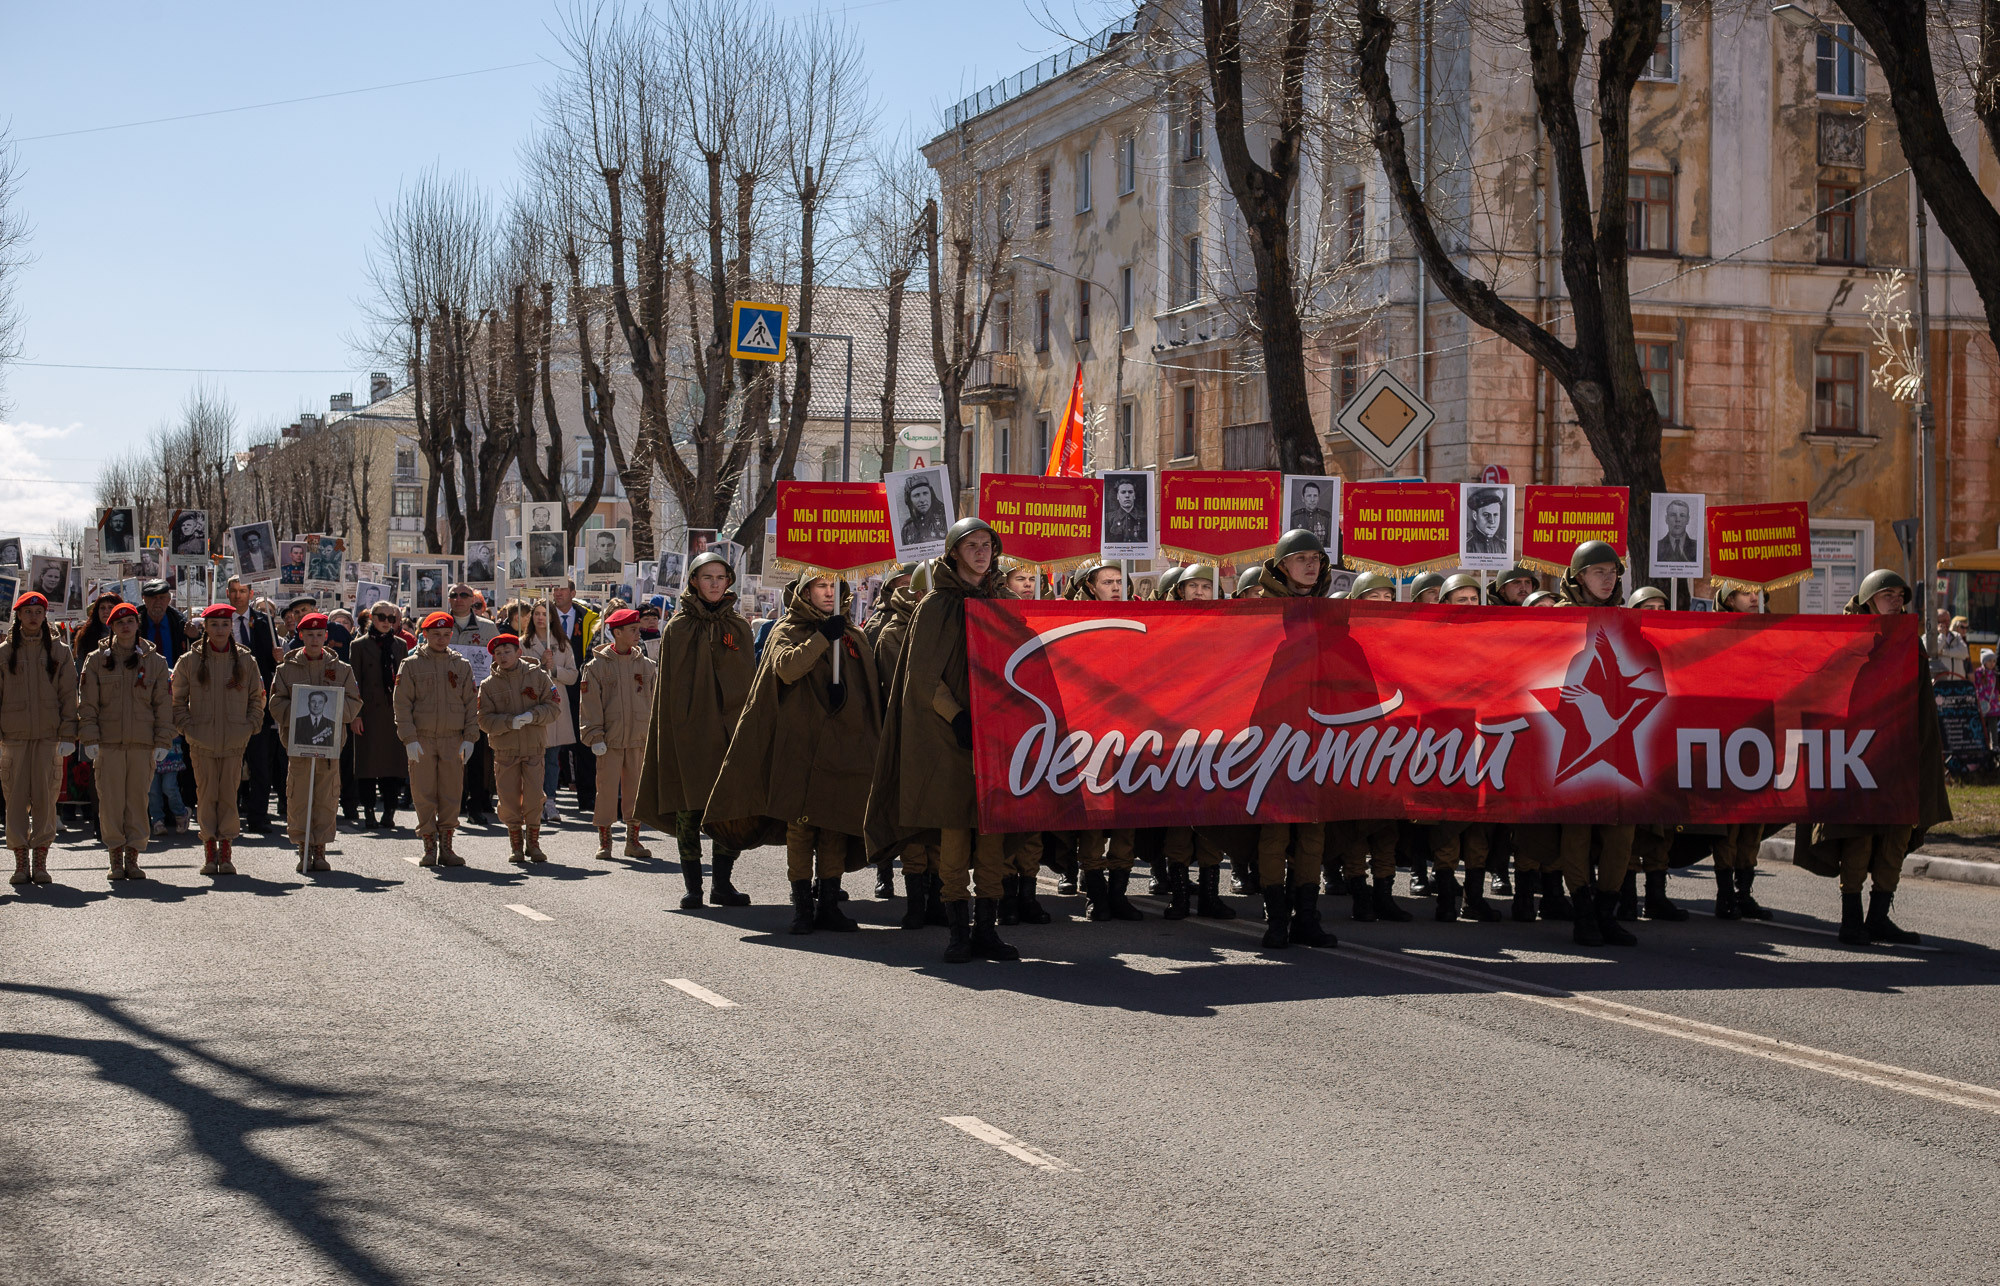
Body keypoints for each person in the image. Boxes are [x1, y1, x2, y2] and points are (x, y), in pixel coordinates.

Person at [866, 518, 1021, 963]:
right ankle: (958, 932)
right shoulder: (936, 605)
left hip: (999, 735)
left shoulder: (1004, 601)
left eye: (987, 545)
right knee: (955, 834)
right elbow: (922, 677)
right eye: (971, 545)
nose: (981, 552)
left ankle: (987, 929)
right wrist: (956, 717)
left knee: (993, 834)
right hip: (951, 738)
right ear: (954, 551)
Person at [708, 570, 882, 934]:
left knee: (834, 826)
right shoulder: (787, 630)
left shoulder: (854, 635)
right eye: (820, 586)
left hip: (842, 748)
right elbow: (786, 669)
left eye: (834, 586)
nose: (829, 593)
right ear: (805, 591)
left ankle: (830, 904)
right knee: (801, 829)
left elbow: (868, 691)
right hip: (800, 747)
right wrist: (821, 639)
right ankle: (803, 906)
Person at [1798, 570, 1951, 945]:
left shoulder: (1908, 640)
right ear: (1869, 599)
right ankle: (1851, 918)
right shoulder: (1845, 636)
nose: (1897, 599)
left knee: (1897, 832)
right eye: (1888, 594)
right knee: (1857, 833)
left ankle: (1879, 915)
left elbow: (1919, 701)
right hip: (1858, 751)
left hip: (1900, 752)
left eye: (1900, 594)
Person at [636, 550, 755, 911]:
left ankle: (722, 884)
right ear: (693, 581)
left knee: (728, 807)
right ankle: (693, 886)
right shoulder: (679, 628)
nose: (715, 583)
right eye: (708, 577)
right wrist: (676, 731)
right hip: (689, 734)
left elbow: (747, 681)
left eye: (721, 577)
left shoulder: (739, 628)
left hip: (729, 733)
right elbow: (670, 688)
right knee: (689, 809)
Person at [1244, 530, 1340, 948]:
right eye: (1300, 558)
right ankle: (1276, 918)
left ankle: (1307, 916)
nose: (1310, 565)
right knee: (1276, 831)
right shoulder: (1261, 610)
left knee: (1313, 831)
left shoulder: (1329, 611)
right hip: (1272, 737)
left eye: (1316, 558)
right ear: (1281, 565)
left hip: (1320, 737)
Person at [1550, 540, 1640, 947]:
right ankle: (1583, 911)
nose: (1608, 579)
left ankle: (1607, 910)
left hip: (1620, 739)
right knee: (1578, 830)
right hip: (1572, 738)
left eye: (1613, 571)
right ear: (1579, 575)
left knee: (1621, 830)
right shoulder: (1558, 619)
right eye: (1598, 571)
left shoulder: (1626, 620)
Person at [170, 603, 266, 878]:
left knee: (228, 796)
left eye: (225, 624)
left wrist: (249, 726)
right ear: (205, 628)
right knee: (207, 795)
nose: (220, 630)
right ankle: (209, 850)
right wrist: (188, 729)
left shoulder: (246, 660)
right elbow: (176, 701)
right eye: (214, 625)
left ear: (231, 627)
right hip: (201, 742)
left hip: (235, 741)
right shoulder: (189, 661)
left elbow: (256, 699)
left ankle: (226, 851)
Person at [268, 613, 361, 874]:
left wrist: (334, 712)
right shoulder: (286, 669)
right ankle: (303, 847)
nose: (314, 639)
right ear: (300, 636)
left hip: (329, 746)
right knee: (299, 796)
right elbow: (275, 703)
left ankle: (320, 848)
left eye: (319, 634)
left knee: (325, 797)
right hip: (299, 746)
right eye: (309, 635)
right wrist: (298, 714)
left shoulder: (342, 669)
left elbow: (354, 703)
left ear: (326, 637)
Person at [0, 592, 78, 886]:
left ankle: (41, 859)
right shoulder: (4, 653)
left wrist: (69, 732)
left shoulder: (59, 651)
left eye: (39, 611)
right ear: (18, 615)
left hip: (49, 737)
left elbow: (69, 695)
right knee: (15, 801)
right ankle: (21, 861)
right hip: (14, 738)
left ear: (46, 616)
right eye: (28, 611)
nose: (33, 616)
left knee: (45, 799)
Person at [394, 611, 479, 867]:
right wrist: (409, 738)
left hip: (453, 739)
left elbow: (470, 704)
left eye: (446, 634)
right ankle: (429, 846)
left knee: (452, 794)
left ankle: (448, 847)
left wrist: (470, 737)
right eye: (435, 634)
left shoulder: (461, 665)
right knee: (424, 793)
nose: (441, 639)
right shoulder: (411, 664)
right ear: (425, 635)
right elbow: (401, 704)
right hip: (423, 738)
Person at [580, 607, 658, 860]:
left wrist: (655, 735)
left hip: (638, 739)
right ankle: (605, 842)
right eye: (633, 630)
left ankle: (632, 842)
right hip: (609, 740)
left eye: (638, 629)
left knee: (636, 791)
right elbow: (589, 704)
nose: (638, 633)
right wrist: (594, 736)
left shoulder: (648, 666)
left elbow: (656, 701)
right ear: (617, 633)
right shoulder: (596, 667)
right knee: (606, 790)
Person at [478, 632, 560, 863]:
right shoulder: (489, 685)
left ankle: (533, 843)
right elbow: (483, 720)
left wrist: (532, 715)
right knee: (509, 799)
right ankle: (516, 845)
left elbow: (554, 707)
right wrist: (508, 722)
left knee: (534, 798)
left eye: (507, 652)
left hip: (534, 747)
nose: (502, 657)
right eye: (498, 653)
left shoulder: (538, 677)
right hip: (505, 750)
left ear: (519, 653)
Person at [224, 577, 284, 834]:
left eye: (243, 591)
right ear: (227, 593)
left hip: (258, 703)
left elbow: (274, 669)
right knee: (231, 765)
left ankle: (258, 816)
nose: (238, 596)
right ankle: (230, 814)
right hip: (228, 703)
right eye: (234, 592)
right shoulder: (220, 622)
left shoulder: (264, 623)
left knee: (260, 763)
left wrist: (278, 659)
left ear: (251, 593)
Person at [514, 600, 577, 826]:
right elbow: (517, 674)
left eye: (545, 614)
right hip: (532, 704)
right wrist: (540, 666)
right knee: (534, 757)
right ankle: (534, 800)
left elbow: (573, 675)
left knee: (552, 758)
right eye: (537, 614)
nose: (541, 618)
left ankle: (550, 800)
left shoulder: (562, 644)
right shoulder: (523, 643)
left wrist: (554, 670)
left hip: (556, 705)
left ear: (552, 618)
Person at [350, 600, 409, 829]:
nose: (387, 622)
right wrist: (356, 715)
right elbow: (354, 683)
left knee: (393, 765)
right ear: (372, 619)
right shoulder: (359, 645)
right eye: (382, 617)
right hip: (368, 713)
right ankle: (369, 811)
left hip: (393, 712)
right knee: (367, 766)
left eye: (391, 618)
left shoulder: (400, 645)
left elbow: (404, 681)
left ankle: (390, 811)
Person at [550, 581, 599, 813]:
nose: (557, 594)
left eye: (562, 589)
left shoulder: (589, 617)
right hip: (553, 683)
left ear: (573, 593)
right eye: (554, 590)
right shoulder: (543, 615)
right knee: (550, 743)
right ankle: (546, 798)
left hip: (581, 685)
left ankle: (587, 797)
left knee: (584, 743)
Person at [899, 473, 949, 545]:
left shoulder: (945, 520)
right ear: (909, 500)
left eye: (925, 493)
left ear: (931, 495)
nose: (922, 500)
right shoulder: (907, 528)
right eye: (916, 495)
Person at [1105, 477, 1147, 545]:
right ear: (1118, 496)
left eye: (1130, 492)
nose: (1127, 496)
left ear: (1134, 496)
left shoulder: (1144, 517)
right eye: (1123, 492)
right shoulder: (1108, 518)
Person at [1291, 481, 1333, 546]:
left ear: (1318, 498)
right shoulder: (1295, 517)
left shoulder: (1326, 517)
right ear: (1303, 498)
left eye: (1315, 496)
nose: (1312, 499)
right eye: (1309, 496)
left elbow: (1329, 543)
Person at [1465, 488, 1507, 554]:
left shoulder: (1504, 546)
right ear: (1475, 515)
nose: (1492, 521)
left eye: (1495, 515)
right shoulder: (1466, 545)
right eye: (1486, 515)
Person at [1656, 499, 1697, 564]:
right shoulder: (1657, 547)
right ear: (1666, 519)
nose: (1678, 520)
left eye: (1682, 515)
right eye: (1673, 515)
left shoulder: (1697, 547)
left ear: (1688, 520)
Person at [1937, 614, 1972, 678]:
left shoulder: (1962, 639)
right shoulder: (1940, 637)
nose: (1965, 630)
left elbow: (1965, 654)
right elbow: (1934, 651)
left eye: (1966, 628)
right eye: (1962, 627)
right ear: (1955, 626)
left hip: (1960, 678)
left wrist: (1943, 652)